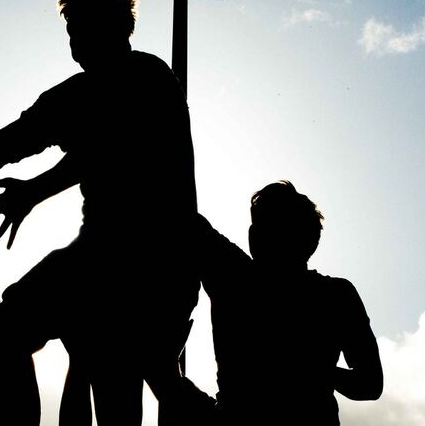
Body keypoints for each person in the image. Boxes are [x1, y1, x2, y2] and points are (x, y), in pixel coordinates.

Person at [0, 0, 199, 426]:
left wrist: (32, 191)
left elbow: (111, 145)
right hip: (98, 258)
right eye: (71, 32)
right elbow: (4, 144)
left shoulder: (149, 77)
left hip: (157, 261)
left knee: (113, 383)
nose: (75, 42)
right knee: (9, 333)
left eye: (83, 29)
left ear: (120, 32)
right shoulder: (69, 97)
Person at [152, 181, 383, 426]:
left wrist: (310, 370)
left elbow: (370, 384)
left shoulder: (234, 277)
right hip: (243, 415)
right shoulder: (335, 295)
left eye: (268, 227)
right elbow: (370, 384)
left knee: (162, 375)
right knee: (163, 375)